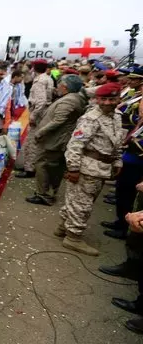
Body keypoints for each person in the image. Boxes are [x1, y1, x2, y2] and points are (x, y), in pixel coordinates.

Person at [55, 83, 123, 256]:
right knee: (82, 205)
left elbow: (117, 141)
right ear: (97, 99)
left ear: (118, 99)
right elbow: (75, 145)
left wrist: (117, 161)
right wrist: (74, 168)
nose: (107, 102)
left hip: (102, 168)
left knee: (79, 200)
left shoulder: (116, 116)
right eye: (103, 99)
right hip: (87, 167)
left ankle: (63, 227)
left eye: (112, 99)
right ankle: (73, 238)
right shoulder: (91, 118)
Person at [26, 75, 87, 206]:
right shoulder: (74, 98)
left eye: (59, 85)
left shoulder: (69, 101)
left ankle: (44, 195)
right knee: (51, 166)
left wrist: (40, 132)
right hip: (56, 139)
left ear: (65, 87)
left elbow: (58, 121)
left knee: (44, 165)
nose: (56, 88)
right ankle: (48, 192)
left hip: (54, 140)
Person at [103, 67, 143, 239]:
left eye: (135, 79)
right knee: (123, 189)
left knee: (127, 191)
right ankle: (120, 221)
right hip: (130, 151)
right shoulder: (135, 95)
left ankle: (124, 227)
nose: (130, 81)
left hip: (137, 158)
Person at [16, 59, 54, 178]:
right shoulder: (48, 78)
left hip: (38, 115)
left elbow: (41, 101)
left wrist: (33, 115)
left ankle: (30, 169)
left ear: (34, 68)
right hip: (44, 113)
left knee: (32, 142)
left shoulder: (40, 81)